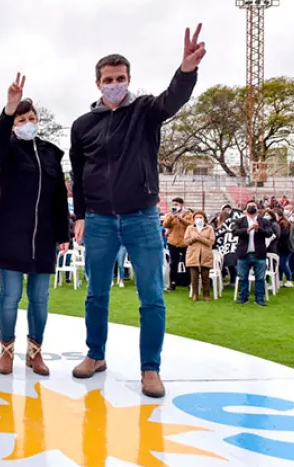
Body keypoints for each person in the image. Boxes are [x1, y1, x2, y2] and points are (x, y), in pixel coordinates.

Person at [70, 24, 205, 398]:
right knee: (96, 294)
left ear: (129, 79)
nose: (115, 83)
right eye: (108, 79)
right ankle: (95, 355)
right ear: (98, 83)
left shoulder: (145, 110)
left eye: (121, 78)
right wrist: (80, 215)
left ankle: (150, 368)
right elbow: (78, 173)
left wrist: (187, 70)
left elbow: (173, 99)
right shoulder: (82, 125)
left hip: (142, 218)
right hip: (97, 219)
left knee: (151, 296)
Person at [0, 76, 70, 376]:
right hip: (11, 237)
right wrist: (8, 109)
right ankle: (6, 349)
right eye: (21, 119)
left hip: (43, 238)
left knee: (39, 299)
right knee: (9, 297)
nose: (27, 122)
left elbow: (60, 196)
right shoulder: (7, 151)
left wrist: (63, 233)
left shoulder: (51, 153)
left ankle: (35, 352)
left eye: (31, 118)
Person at [232, 200, 273, 306]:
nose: (251, 208)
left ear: (258, 209)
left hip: (259, 254)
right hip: (243, 253)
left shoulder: (263, 221)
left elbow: (269, 233)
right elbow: (235, 232)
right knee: (242, 277)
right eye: (249, 206)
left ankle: (259, 299)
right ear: (245, 210)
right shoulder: (240, 221)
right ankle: (243, 297)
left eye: (253, 206)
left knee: (260, 278)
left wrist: (258, 229)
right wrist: (247, 229)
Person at [162, 198, 193, 290]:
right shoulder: (170, 214)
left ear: (182, 205)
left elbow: (191, 224)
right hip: (172, 242)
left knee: (187, 263)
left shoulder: (188, 214)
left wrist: (181, 218)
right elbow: (165, 225)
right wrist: (171, 217)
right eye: (174, 204)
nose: (175, 206)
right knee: (173, 263)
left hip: (185, 242)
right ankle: (172, 283)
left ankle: (189, 283)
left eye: (177, 204)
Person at [184, 210, 214, 301]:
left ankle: (206, 295)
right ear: (193, 219)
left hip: (205, 255)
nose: (198, 219)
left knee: (205, 276)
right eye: (196, 217)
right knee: (194, 277)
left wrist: (200, 238)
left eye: (200, 217)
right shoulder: (190, 228)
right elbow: (186, 241)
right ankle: (195, 294)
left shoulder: (209, 228)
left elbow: (211, 242)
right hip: (193, 255)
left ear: (204, 218)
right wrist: (194, 238)